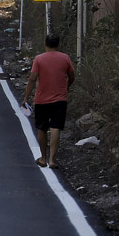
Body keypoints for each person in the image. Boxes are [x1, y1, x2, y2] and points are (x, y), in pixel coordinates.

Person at [22, 32, 76, 168]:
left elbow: (32, 79)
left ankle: (43, 158)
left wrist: (26, 98)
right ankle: (52, 159)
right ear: (58, 45)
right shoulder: (65, 58)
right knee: (56, 128)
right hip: (60, 99)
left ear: (45, 44)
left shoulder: (39, 59)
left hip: (42, 100)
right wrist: (66, 86)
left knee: (42, 128)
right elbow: (71, 76)